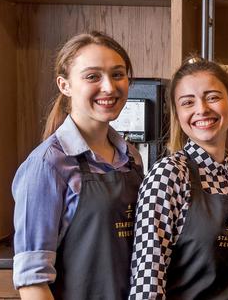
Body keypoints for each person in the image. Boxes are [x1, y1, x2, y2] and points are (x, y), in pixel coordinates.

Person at [12, 31, 143, 299]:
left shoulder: (130, 157)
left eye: (118, 74)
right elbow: (32, 282)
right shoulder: (47, 165)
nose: (109, 87)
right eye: (92, 76)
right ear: (65, 85)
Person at [129, 57, 228, 299]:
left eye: (213, 97)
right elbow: (147, 283)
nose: (202, 109)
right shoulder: (169, 175)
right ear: (177, 114)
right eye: (188, 102)